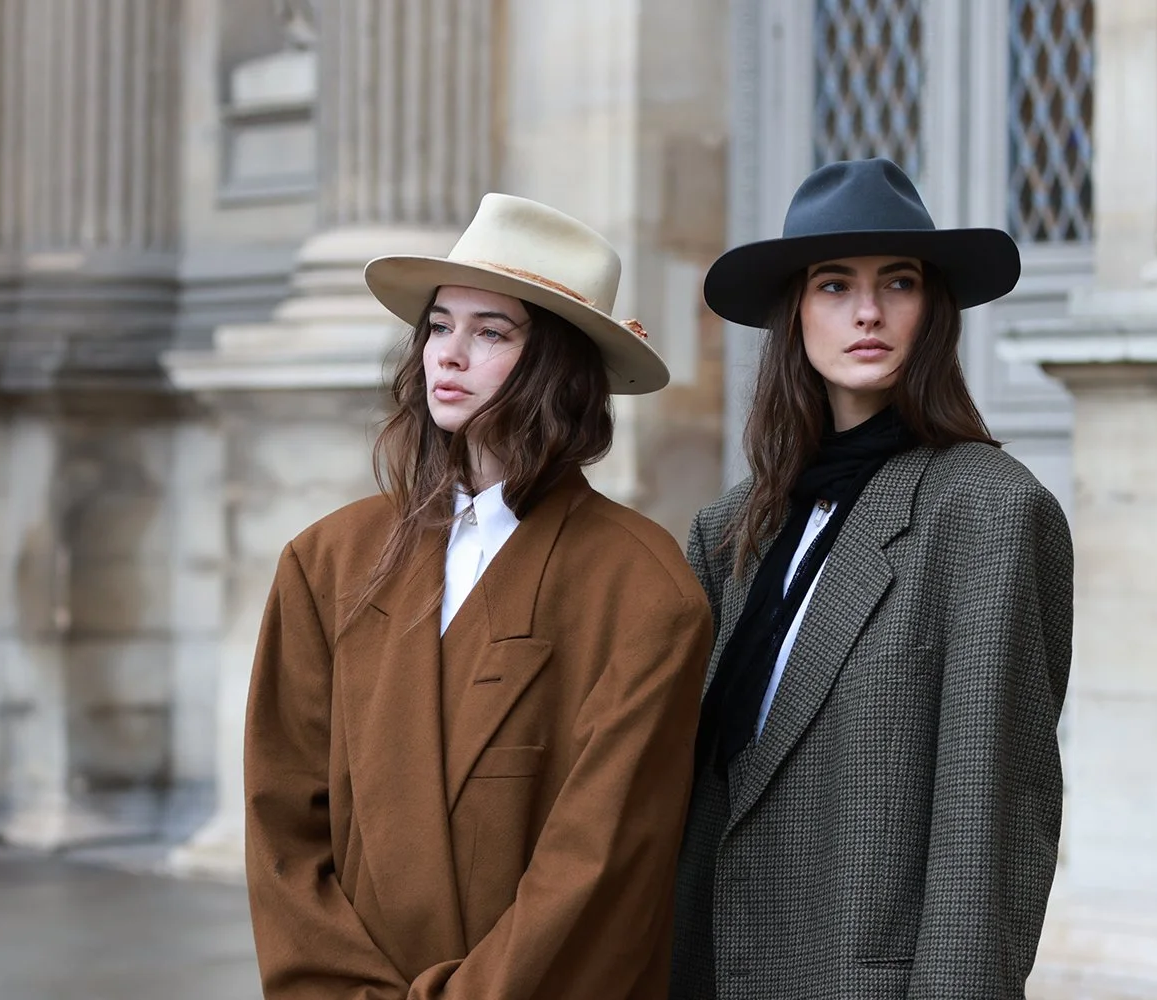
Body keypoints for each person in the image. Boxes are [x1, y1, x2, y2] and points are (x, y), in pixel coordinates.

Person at [243, 193, 713, 1000]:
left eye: (491, 332)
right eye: (439, 325)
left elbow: (601, 866)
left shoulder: (644, 589)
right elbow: (282, 825)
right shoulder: (325, 560)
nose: (448, 355)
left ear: (558, 363)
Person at [670, 158, 1074, 999]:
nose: (867, 312)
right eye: (832, 285)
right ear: (794, 316)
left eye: (898, 282)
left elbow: (987, 827)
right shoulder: (732, 529)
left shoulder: (990, 514)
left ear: (933, 311)